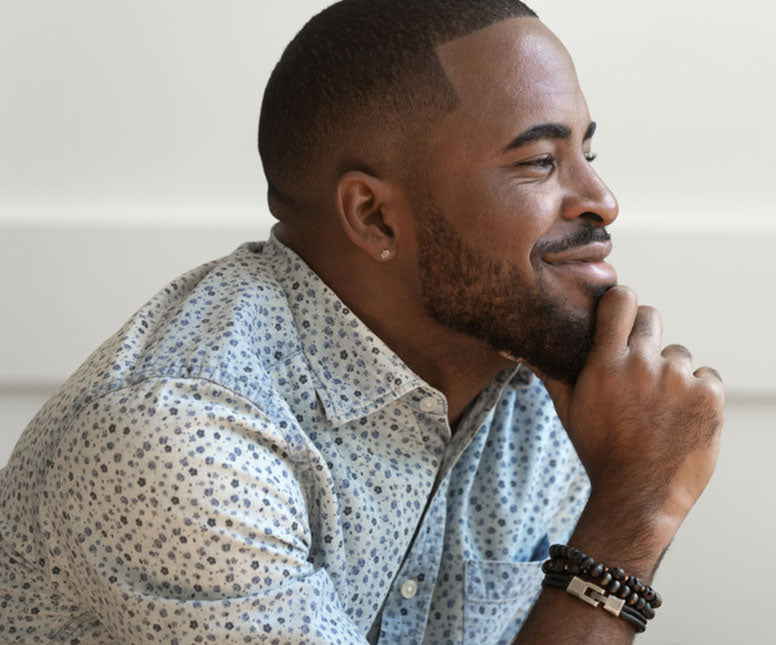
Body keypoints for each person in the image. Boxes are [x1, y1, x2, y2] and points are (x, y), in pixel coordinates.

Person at [0, 1, 724, 642]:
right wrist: (636, 507)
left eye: (586, 151)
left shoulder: (554, 382)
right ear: (375, 215)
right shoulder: (181, 443)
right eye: (539, 161)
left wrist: (632, 490)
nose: (603, 199)